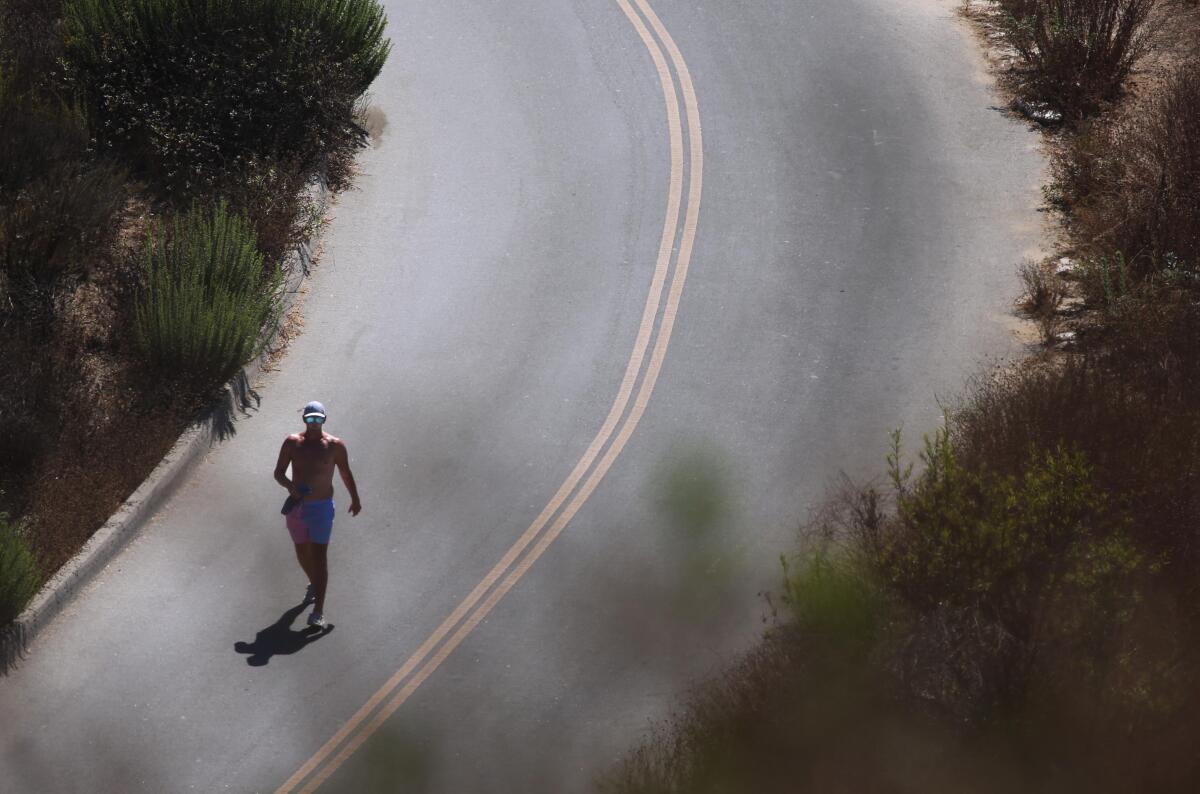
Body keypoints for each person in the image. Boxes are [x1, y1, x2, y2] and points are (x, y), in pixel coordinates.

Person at [273, 401, 362, 627]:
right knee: (302, 552)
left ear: (324, 420)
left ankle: (318, 611)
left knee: (319, 557)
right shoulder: (292, 443)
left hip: (321, 507)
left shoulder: (334, 446)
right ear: (304, 420)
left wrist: (355, 498)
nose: (314, 423)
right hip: (296, 507)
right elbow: (279, 473)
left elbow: (345, 473)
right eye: (310, 419)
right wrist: (290, 487)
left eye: (318, 419)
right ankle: (315, 584)